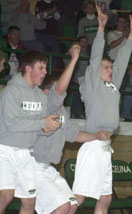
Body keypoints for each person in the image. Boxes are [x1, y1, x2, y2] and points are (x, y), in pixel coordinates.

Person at [72, 7, 132, 214]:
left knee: (106, 198)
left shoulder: (113, 85)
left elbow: (122, 62)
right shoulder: (93, 84)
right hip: (92, 146)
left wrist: (131, 36)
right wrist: (101, 28)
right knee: (79, 197)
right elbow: (94, 59)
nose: (111, 71)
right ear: (96, 72)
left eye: (111, 68)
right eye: (107, 68)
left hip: (105, 147)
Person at [32, 45, 111, 214]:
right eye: (57, 91)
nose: (63, 93)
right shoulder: (43, 107)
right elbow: (59, 89)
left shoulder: (61, 112)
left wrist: (96, 136)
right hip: (32, 167)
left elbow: (74, 134)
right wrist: (74, 58)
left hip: (48, 168)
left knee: (73, 204)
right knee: (62, 207)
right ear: (47, 92)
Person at [0, 50, 65, 214]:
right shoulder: (11, 91)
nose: (45, 72)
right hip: (5, 150)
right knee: (6, 196)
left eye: (46, 68)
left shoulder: (41, 96)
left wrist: (48, 128)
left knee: (30, 202)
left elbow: (38, 129)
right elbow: (13, 124)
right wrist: (42, 123)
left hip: (26, 153)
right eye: (41, 68)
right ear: (28, 69)